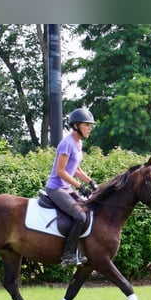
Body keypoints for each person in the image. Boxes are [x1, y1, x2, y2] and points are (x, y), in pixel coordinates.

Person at [45, 107, 98, 267]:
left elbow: (75, 168)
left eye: (91, 125)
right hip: (56, 188)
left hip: (67, 188)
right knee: (80, 216)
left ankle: (79, 251)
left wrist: (91, 182)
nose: (90, 128)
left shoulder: (78, 143)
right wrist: (80, 186)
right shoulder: (66, 144)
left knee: (87, 210)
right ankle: (68, 255)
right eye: (86, 125)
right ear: (76, 126)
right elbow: (60, 171)